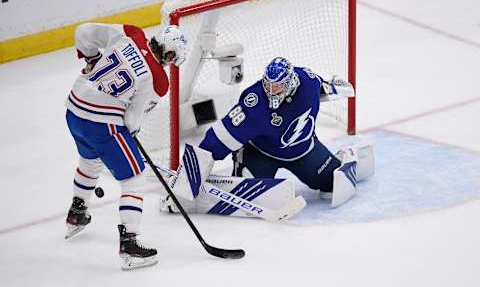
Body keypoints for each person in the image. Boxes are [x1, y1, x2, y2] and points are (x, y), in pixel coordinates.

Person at [64, 22, 187, 270]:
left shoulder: (132, 34)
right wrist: (131, 131)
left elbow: (84, 32)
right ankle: (130, 245)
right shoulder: (160, 82)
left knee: (90, 161)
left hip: (74, 109)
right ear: (170, 54)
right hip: (101, 123)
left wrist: (92, 59)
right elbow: (131, 119)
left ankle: (77, 213)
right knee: (134, 179)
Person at [196, 57, 374, 208]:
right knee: (250, 195)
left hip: (303, 150)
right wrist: (193, 171)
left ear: (291, 83)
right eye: (268, 85)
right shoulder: (254, 102)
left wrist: (336, 87)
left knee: (333, 183)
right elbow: (220, 137)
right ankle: (243, 164)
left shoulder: (308, 80)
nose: (271, 91)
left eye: (278, 86)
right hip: (260, 153)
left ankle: (346, 157)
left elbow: (322, 86)